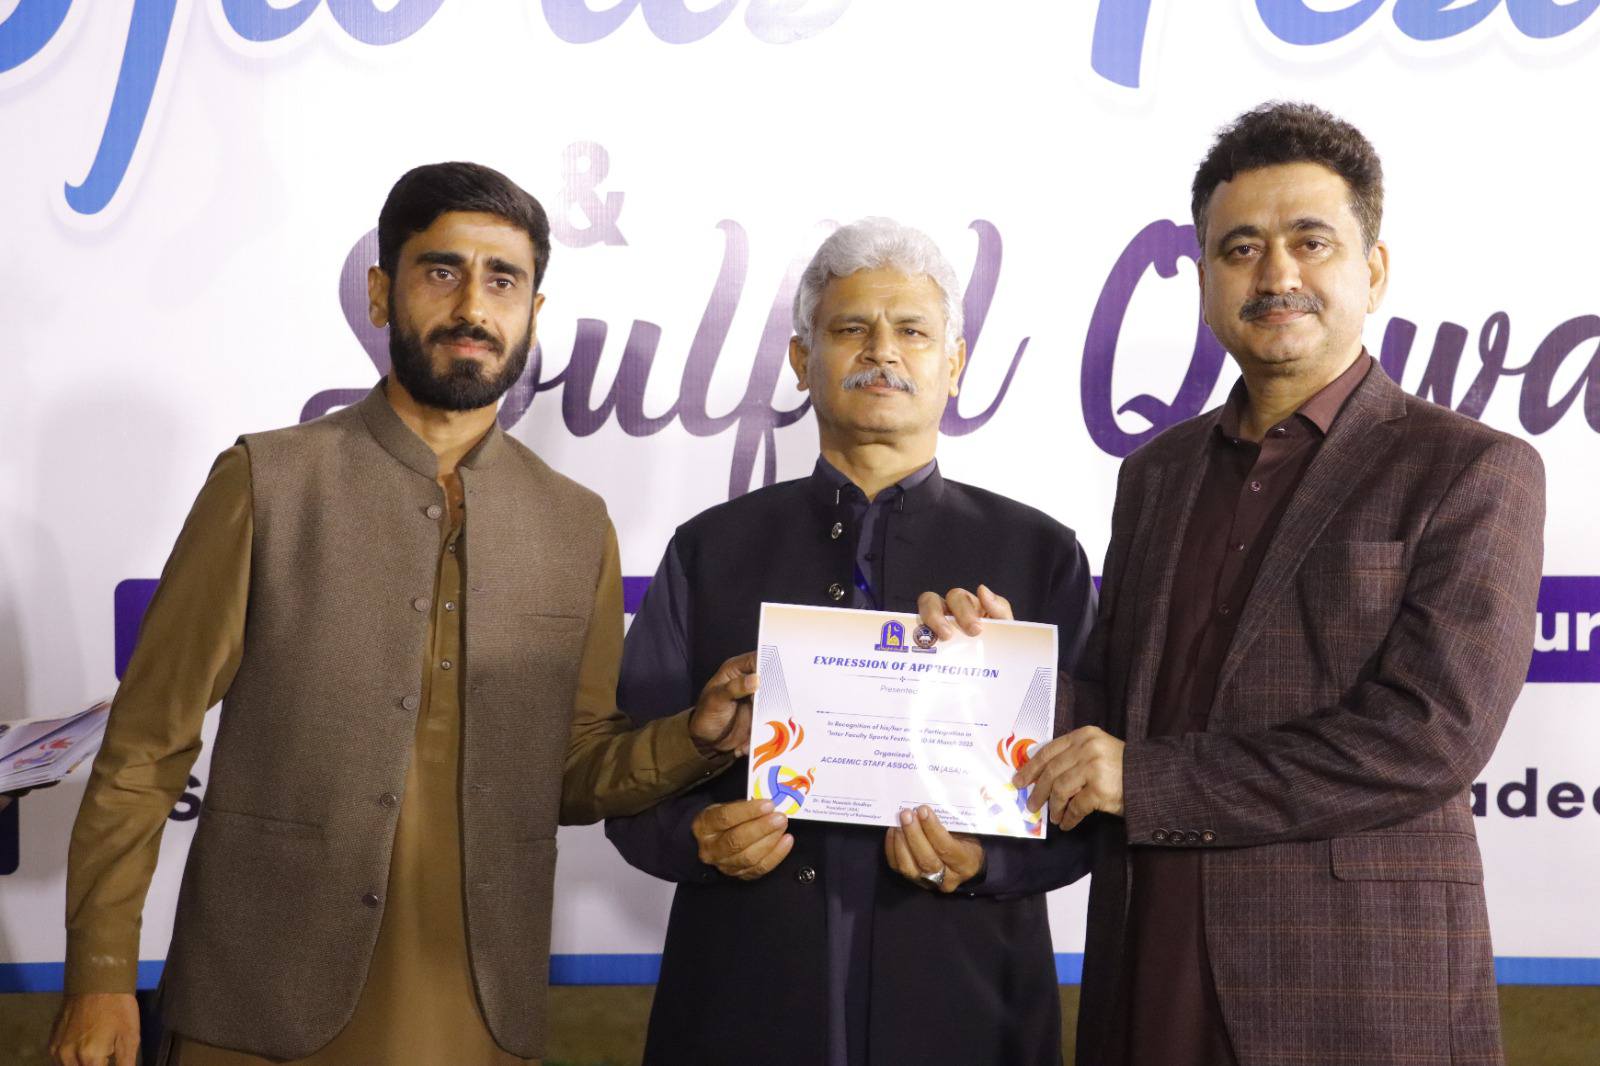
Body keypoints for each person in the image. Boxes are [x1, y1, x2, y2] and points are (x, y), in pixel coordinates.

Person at [49, 162, 755, 1066]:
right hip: (254, 998)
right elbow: (146, 749)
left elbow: (572, 772)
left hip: (476, 1006)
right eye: (441, 271)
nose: (473, 306)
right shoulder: (270, 483)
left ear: (534, 312)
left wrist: (693, 739)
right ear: (382, 294)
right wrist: (101, 973)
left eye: (503, 281)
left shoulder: (576, 524)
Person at [921, 102, 1545, 1066]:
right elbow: (1124, 709)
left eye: (1311, 242)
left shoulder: (1470, 469)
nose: (1276, 274)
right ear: (1207, 280)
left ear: (1374, 270)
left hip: (1350, 992)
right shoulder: (1157, 474)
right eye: (1241, 248)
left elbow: (1429, 736)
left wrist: (1147, 779)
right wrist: (1001, 677)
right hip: (1147, 965)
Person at [604, 218, 1098, 1066]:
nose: (883, 352)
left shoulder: (1041, 556)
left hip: (969, 999)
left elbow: (1096, 801)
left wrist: (985, 860)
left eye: (913, 331)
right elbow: (622, 782)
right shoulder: (709, 550)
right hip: (744, 996)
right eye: (850, 329)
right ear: (803, 360)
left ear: (956, 363)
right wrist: (700, 837)